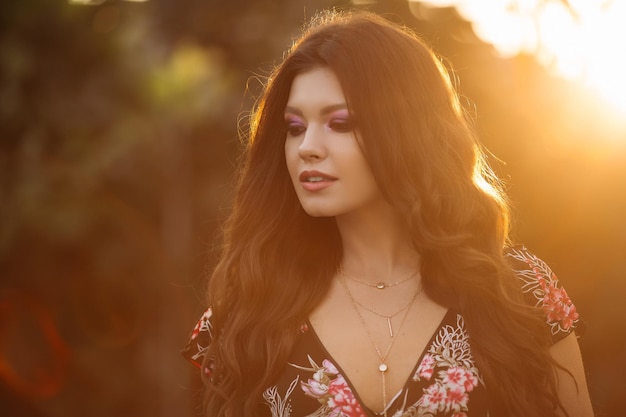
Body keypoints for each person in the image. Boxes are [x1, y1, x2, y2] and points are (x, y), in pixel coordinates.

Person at [182, 10, 594, 417]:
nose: (307, 146)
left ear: (406, 131)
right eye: (294, 127)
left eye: (339, 123)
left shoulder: (518, 293)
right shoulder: (247, 312)